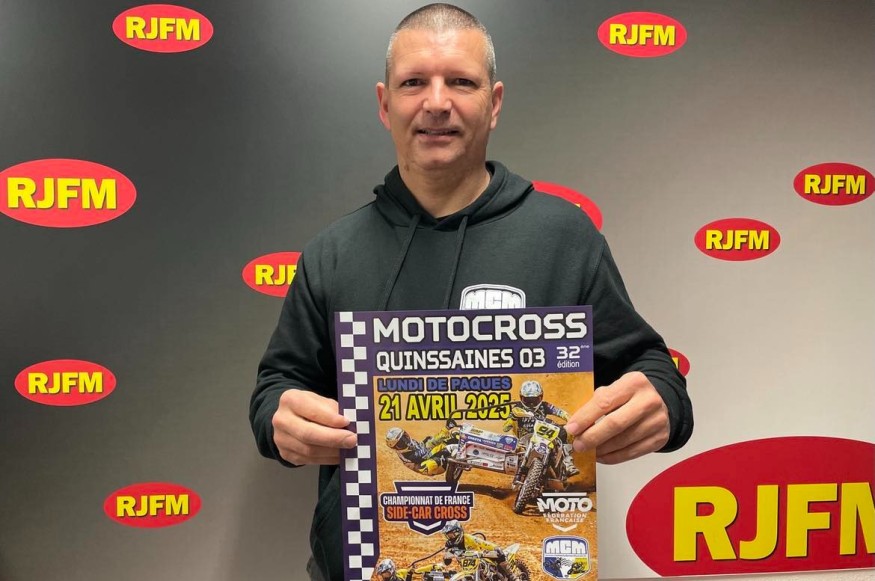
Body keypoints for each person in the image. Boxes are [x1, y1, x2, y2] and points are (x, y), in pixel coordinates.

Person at [249, 4, 693, 580]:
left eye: (461, 81)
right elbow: (276, 387)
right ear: (385, 104)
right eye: (414, 83)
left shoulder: (562, 237)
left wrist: (663, 402)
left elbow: (650, 367)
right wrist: (279, 419)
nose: (437, 102)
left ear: (495, 102)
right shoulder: (333, 253)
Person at [502, 380, 578, 476]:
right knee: (511, 446)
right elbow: (505, 428)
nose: (531, 404)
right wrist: (513, 418)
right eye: (527, 400)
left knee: (566, 432)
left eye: (534, 400)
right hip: (524, 439)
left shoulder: (545, 406)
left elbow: (561, 413)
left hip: (543, 436)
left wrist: (573, 420)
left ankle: (567, 463)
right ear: (521, 398)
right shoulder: (517, 408)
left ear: (541, 397)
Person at [440, 520, 518, 581]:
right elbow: (447, 561)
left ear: (458, 532)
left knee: (499, 554)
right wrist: (447, 557)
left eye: (451, 535)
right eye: (448, 536)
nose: (450, 538)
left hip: (481, 559)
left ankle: (511, 575)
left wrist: (495, 548)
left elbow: (484, 543)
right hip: (468, 568)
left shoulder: (470, 538)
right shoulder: (449, 544)